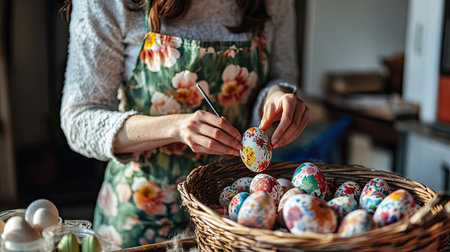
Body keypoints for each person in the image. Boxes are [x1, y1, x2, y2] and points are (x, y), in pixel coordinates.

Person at [60, 0, 309, 248]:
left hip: (229, 218)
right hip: (141, 219)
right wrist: (176, 127)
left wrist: (276, 95)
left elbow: (281, 75)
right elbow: (80, 120)